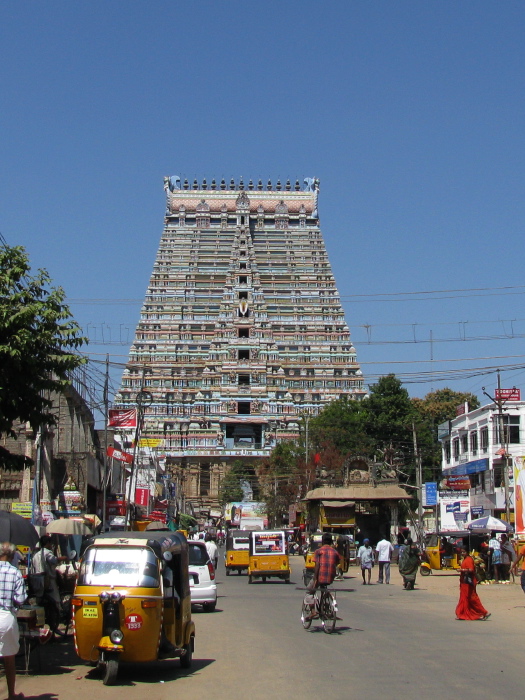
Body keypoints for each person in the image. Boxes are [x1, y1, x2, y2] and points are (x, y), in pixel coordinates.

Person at [0, 541, 27, 700]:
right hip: (6, 618)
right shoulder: (15, 572)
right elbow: (20, 598)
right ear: (11, 556)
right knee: (9, 660)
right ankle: (11, 695)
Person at [304, 533, 340, 620]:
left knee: (309, 591)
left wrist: (315, 578)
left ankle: (313, 612)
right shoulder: (335, 552)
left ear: (322, 541)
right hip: (330, 578)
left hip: (320, 577)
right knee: (324, 587)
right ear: (331, 541)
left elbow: (317, 566)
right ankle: (325, 603)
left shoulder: (318, 551)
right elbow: (337, 563)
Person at [30, 535, 67, 609]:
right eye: (50, 543)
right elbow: (54, 560)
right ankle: (58, 611)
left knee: (39, 600)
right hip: (48, 580)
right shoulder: (47, 552)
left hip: (37, 580)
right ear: (47, 543)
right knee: (55, 598)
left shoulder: (36, 555)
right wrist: (63, 558)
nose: (51, 545)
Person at [455, 546, 490, 620]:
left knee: (472, 597)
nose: (462, 553)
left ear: (467, 552)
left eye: (464, 552)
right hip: (464, 581)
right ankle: (462, 613)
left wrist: (462, 570)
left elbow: (470, 569)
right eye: (461, 552)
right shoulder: (464, 559)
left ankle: (484, 612)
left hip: (468, 582)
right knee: (464, 597)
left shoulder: (469, 560)